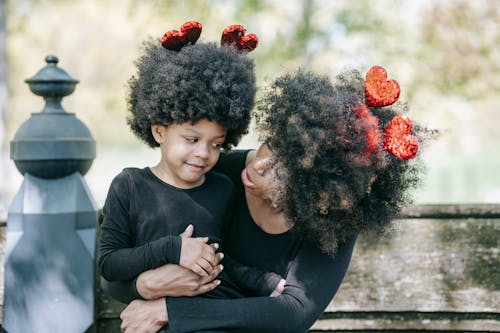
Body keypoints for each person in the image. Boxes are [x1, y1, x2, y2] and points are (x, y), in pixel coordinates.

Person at [114, 67, 429, 333]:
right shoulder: (213, 169)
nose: (261, 163)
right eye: (272, 143)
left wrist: (172, 311)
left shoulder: (331, 222)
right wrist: (145, 286)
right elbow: (112, 275)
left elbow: (294, 311)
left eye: (284, 168)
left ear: (317, 190)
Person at [98, 21, 284, 315]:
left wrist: (261, 281)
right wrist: (172, 249)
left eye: (216, 144)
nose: (203, 153)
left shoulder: (222, 188)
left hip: (213, 315)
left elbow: (223, 260)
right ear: (159, 131)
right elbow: (109, 264)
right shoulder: (130, 186)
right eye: (192, 139)